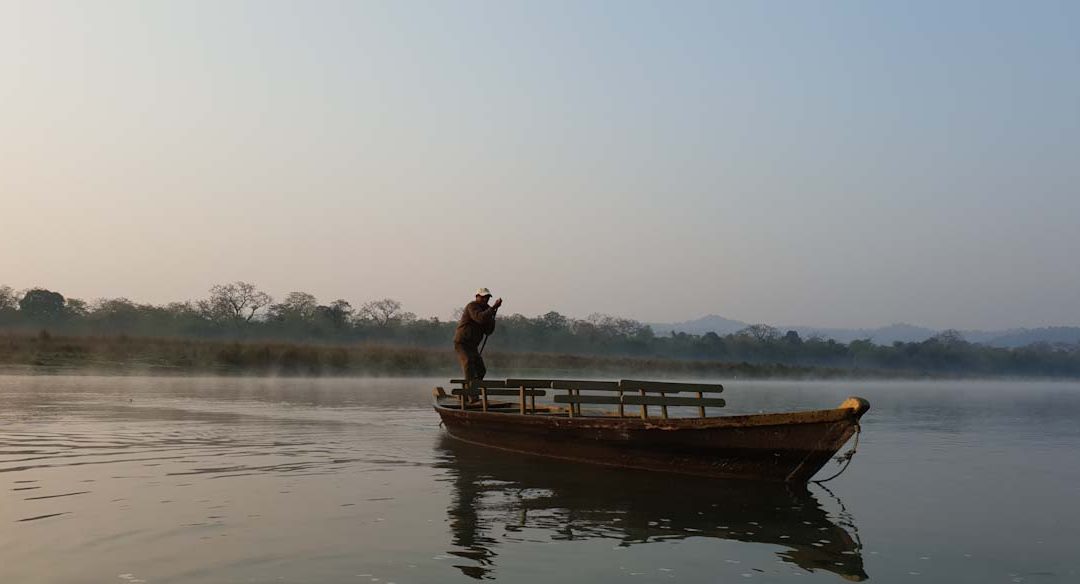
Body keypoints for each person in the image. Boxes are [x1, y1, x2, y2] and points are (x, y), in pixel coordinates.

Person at [454, 287, 502, 384]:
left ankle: (472, 388)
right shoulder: (472, 306)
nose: (486, 299)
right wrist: (493, 308)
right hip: (462, 342)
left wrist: (492, 318)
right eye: (483, 297)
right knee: (468, 362)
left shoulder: (487, 309)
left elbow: (488, 331)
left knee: (481, 370)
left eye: (488, 297)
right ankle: (471, 393)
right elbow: (479, 318)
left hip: (473, 345)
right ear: (477, 297)